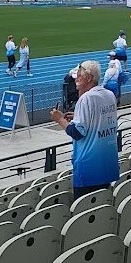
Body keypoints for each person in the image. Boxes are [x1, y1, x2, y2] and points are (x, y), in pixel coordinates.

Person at [50, 61, 119, 200]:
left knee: (85, 211)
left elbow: (77, 132)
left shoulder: (86, 98)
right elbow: (99, 119)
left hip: (89, 168)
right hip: (107, 164)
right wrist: (78, 116)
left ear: (88, 78)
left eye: (79, 75)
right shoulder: (109, 95)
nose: (76, 79)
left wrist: (59, 119)